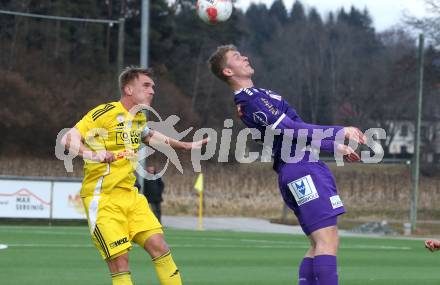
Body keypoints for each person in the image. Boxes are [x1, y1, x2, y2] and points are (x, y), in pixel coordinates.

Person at [208, 45, 366, 285]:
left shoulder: (258, 95)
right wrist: (339, 131)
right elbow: (290, 129)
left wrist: (333, 147)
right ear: (228, 71)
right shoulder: (251, 101)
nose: (245, 57)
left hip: (301, 165)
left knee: (318, 243)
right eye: (238, 57)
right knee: (327, 240)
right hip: (301, 168)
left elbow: (296, 132)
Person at [61, 66, 208, 285]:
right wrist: (93, 153)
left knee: (160, 247)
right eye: (146, 86)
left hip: (131, 197)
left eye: (153, 87)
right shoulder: (105, 113)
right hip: (103, 200)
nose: (152, 91)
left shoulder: (138, 118)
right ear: (129, 89)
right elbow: (68, 139)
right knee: (121, 262)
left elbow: (150, 135)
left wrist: (184, 145)